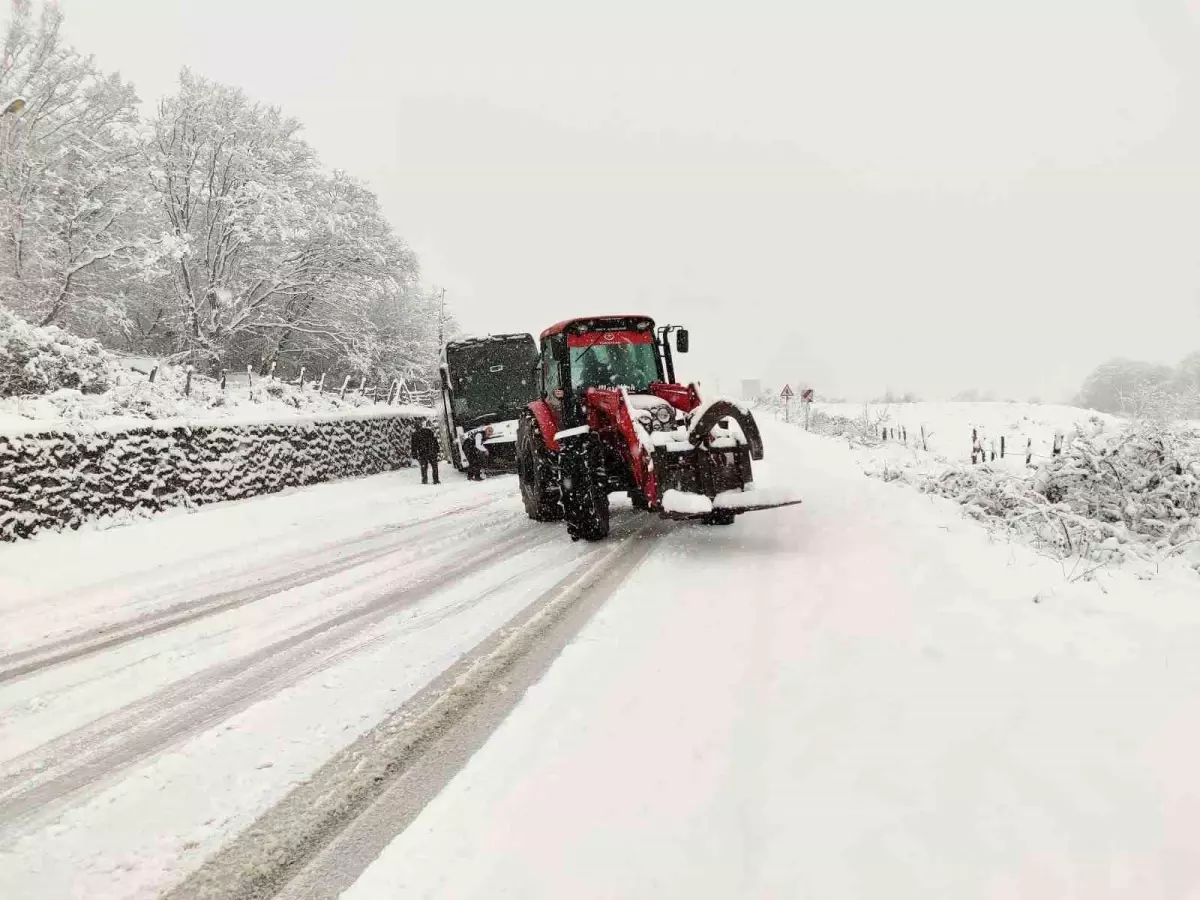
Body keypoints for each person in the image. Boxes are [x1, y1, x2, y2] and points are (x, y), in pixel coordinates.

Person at [411, 419, 440, 484]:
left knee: (424, 467)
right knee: (434, 466)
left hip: (422, 453)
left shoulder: (414, 435)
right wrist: (437, 449)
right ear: (421, 426)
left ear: (415, 427)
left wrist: (414, 454)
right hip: (431, 451)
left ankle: (424, 480)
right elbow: (434, 440)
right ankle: (436, 480)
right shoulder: (428, 431)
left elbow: (413, 446)